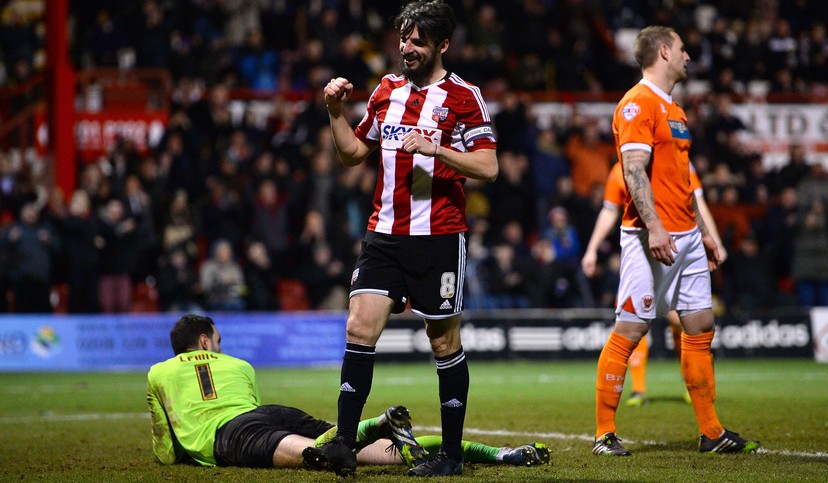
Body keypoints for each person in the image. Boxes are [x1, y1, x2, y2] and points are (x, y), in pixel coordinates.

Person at [321, 0, 498, 477]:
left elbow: (489, 166)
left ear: (443, 44)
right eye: (403, 39)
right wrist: (335, 111)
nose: (407, 48)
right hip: (384, 233)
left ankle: (452, 457)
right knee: (359, 328)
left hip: (438, 238)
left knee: (442, 341)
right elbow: (354, 154)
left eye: (418, 41)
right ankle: (342, 444)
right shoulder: (385, 90)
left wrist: (437, 147)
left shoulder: (465, 97)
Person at [591, 26, 760, 456]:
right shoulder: (636, 104)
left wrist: (702, 229)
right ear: (664, 52)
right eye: (683, 49)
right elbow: (633, 171)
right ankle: (604, 433)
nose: (688, 56)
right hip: (650, 238)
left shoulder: (676, 111)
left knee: (701, 325)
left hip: (686, 236)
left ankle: (711, 432)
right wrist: (654, 226)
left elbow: (681, 179)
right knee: (630, 329)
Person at [147, 314, 550, 470]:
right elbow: (252, 407)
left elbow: (166, 448)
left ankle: (375, 423)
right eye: (217, 340)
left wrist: (180, 457)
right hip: (268, 412)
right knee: (345, 442)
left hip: (231, 434)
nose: (220, 347)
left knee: (318, 456)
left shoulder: (158, 373)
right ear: (204, 342)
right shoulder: (240, 366)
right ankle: (501, 454)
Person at [582, 161, 727, 407]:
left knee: (684, 321)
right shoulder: (622, 169)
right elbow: (609, 210)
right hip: (641, 249)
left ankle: (695, 388)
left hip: (679, 247)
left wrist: (712, 238)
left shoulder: (679, 162)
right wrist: (592, 249)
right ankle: (637, 391)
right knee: (631, 323)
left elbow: (696, 201)